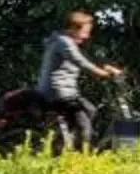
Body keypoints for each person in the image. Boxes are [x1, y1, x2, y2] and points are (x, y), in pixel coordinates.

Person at [33, 8, 121, 149]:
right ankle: (81, 153)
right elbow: (80, 61)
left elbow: (86, 59)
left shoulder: (65, 41)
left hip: (63, 91)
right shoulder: (63, 42)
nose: (87, 36)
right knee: (84, 122)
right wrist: (101, 73)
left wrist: (106, 68)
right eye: (85, 32)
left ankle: (67, 142)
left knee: (91, 110)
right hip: (57, 91)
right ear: (74, 28)